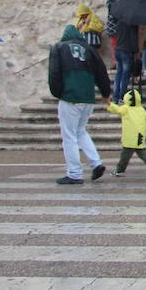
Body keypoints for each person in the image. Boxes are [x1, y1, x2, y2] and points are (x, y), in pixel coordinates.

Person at [49, 24, 112, 185]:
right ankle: (96, 162)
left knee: (69, 136)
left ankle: (74, 173)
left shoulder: (59, 48)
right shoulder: (90, 49)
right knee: (80, 131)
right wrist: (106, 93)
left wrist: (58, 93)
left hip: (70, 96)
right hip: (88, 97)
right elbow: (101, 73)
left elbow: (54, 73)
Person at [107, 88, 146, 177]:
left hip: (129, 136)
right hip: (140, 134)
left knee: (125, 155)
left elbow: (117, 110)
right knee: (142, 151)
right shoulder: (142, 109)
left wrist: (109, 104)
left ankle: (120, 170)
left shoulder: (126, 108)